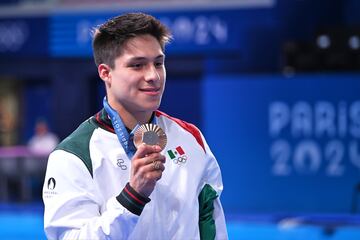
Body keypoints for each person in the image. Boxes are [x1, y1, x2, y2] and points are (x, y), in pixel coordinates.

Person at [43, 12, 227, 240]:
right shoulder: (73, 156)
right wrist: (132, 197)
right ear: (105, 73)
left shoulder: (191, 137)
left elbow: (211, 223)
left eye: (158, 63)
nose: (153, 75)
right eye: (137, 65)